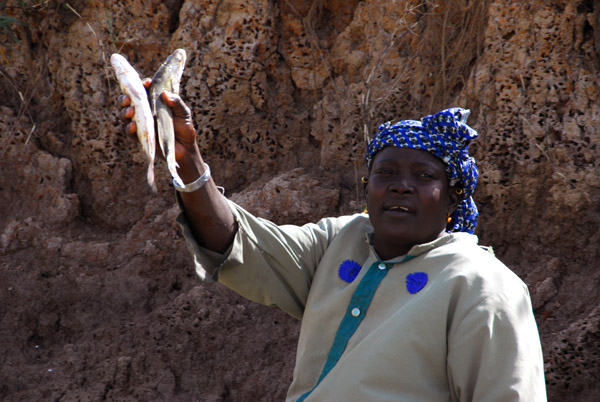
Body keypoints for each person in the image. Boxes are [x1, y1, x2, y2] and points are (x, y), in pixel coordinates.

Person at [118, 87, 547, 401]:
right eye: (387, 174)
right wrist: (187, 157)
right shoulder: (340, 241)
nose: (401, 187)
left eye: (423, 177)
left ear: (453, 196)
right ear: (367, 186)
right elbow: (237, 242)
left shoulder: (482, 286)